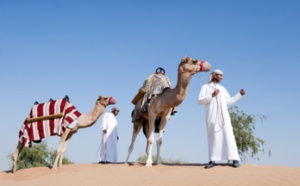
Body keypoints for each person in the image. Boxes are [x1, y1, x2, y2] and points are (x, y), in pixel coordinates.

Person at [198, 69, 246, 169]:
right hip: (212, 117)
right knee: (214, 137)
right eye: (220, 75)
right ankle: (212, 160)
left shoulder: (222, 88)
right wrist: (212, 95)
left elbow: (230, 101)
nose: (221, 77)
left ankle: (235, 159)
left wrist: (239, 94)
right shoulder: (205, 87)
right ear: (214, 75)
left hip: (224, 117)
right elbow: (200, 101)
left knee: (229, 136)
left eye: (222, 76)